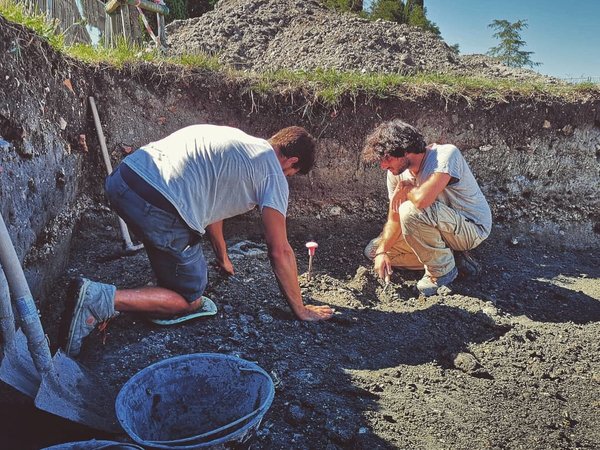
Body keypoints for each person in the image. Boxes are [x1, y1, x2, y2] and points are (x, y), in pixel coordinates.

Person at [63, 124, 335, 357]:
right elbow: (280, 251)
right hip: (158, 207)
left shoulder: (236, 141)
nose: (287, 177)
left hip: (122, 181)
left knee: (173, 239)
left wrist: (222, 256)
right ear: (292, 162)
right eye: (292, 174)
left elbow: (213, 205)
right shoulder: (273, 173)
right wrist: (300, 309)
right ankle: (99, 299)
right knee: (190, 296)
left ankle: (160, 282)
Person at [362, 119, 492, 296]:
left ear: (405, 150)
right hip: (434, 226)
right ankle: (453, 259)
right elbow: (394, 218)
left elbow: (422, 201)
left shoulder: (445, 155)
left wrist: (408, 189)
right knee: (373, 250)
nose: (383, 165)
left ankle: (441, 272)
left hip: (470, 228)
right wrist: (382, 251)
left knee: (410, 210)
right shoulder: (396, 173)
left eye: (388, 159)